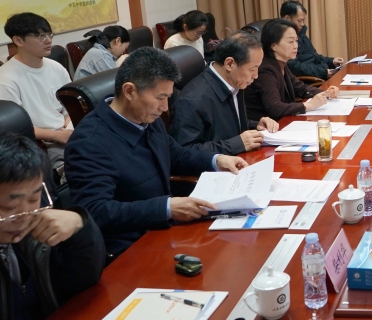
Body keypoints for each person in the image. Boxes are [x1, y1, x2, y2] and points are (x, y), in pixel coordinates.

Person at [64, 48, 247, 256]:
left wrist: (217, 159)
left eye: (168, 97)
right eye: (160, 97)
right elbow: (95, 212)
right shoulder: (89, 143)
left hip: (162, 230)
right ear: (129, 91)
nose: (165, 107)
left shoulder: (146, 117)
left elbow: (176, 155)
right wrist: (166, 208)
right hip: (130, 248)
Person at [0, 133, 106, 320]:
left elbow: (78, 283)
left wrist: (80, 227)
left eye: (35, 198)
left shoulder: (27, 232)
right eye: (9, 206)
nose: (25, 216)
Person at [170, 33, 279, 154]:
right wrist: (237, 144)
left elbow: (225, 126)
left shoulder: (234, 82)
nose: (256, 75)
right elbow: (184, 152)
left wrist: (255, 125)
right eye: (252, 69)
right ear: (229, 64)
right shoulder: (192, 100)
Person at [0, 13, 72, 172]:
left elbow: (69, 104)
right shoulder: (6, 79)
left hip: (67, 132)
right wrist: (56, 135)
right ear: (18, 40)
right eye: (40, 36)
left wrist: (68, 124)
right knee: (82, 162)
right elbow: (13, 128)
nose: (48, 40)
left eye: (49, 34)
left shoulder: (56, 67)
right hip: (42, 143)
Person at [245, 19, 339, 121]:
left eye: (296, 41)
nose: (296, 46)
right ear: (273, 46)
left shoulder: (281, 63)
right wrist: (309, 105)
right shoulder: (265, 70)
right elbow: (275, 108)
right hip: (266, 126)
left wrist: (326, 93)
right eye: (291, 42)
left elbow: (301, 88)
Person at [280, 0, 344, 80]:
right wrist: (323, 72)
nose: (302, 24)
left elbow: (314, 56)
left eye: (303, 20)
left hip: (320, 73)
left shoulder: (301, 34)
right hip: (310, 80)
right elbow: (294, 67)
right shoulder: (283, 39)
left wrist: (331, 61)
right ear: (287, 18)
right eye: (299, 21)